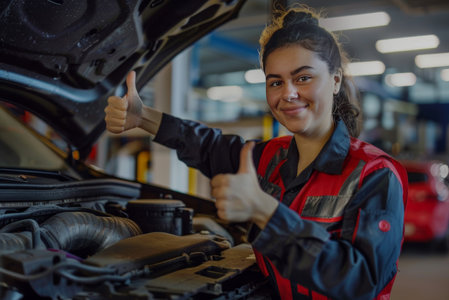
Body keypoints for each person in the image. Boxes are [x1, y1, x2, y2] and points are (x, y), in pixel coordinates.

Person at [104, 6, 408, 300]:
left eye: (303, 77)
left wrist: (266, 212)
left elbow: (361, 282)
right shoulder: (266, 159)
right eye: (275, 82)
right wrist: (143, 117)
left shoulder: (374, 174)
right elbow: (206, 146)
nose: (287, 93)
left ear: (335, 81)